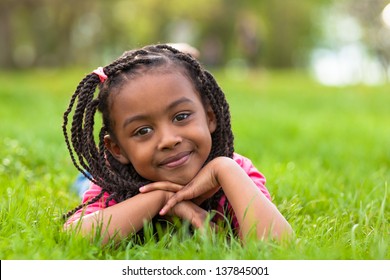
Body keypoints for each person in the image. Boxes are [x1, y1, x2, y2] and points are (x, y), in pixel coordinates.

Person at [62, 44, 292, 244]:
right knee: (85, 180)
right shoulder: (115, 180)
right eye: (143, 130)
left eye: (181, 117)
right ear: (118, 149)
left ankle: (169, 54)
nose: (169, 140)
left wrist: (224, 168)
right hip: (109, 173)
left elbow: (278, 246)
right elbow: (74, 236)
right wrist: (160, 199)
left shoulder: (235, 172)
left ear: (210, 117)